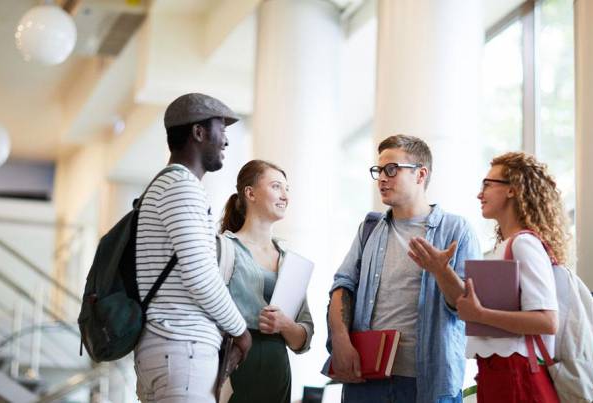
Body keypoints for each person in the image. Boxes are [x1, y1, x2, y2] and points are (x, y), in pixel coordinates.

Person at [326, 134, 481, 403]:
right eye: (378, 171)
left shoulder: (457, 229)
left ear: (421, 175)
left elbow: (468, 308)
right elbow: (343, 284)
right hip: (367, 376)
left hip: (429, 382)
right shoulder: (370, 228)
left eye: (392, 170)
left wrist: (440, 271)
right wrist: (340, 340)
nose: (382, 179)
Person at [415, 151, 565, 402]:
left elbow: (547, 321)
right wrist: (441, 271)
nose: (479, 193)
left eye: (487, 184)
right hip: (499, 372)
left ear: (512, 189)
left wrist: (480, 315)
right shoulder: (506, 246)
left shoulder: (524, 244)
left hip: (516, 376)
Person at [133, 93, 252, 403]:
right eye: (221, 130)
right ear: (198, 133)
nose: (226, 141)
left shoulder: (160, 187)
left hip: (163, 348)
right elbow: (201, 277)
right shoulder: (182, 187)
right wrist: (241, 331)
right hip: (181, 347)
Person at [218, 159, 314, 403]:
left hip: (278, 374)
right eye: (276, 187)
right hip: (235, 368)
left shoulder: (289, 261)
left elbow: (305, 336)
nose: (285, 196)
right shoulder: (224, 249)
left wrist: (284, 325)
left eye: (287, 189)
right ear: (250, 193)